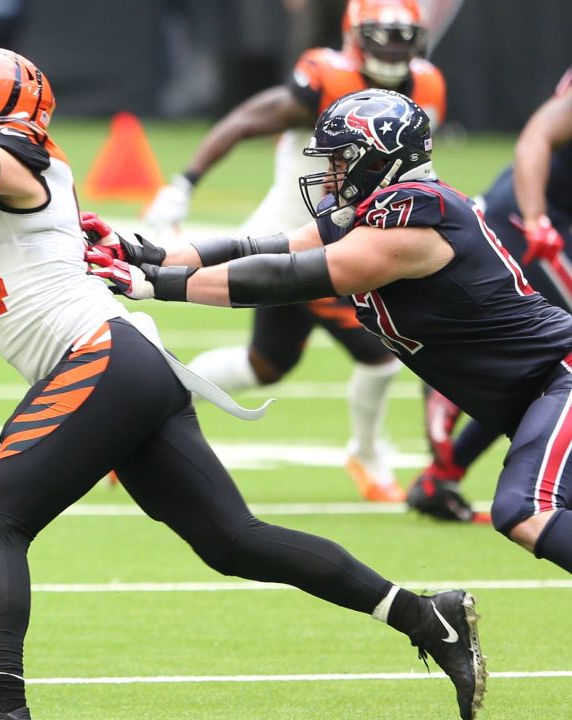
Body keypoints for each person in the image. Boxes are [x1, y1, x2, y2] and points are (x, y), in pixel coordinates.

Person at [0, 44, 485, 720]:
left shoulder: (26, 166)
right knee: (234, 541)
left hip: (99, 358)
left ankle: (4, 708)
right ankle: (428, 617)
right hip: (123, 364)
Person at [91, 88, 572, 720]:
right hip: (536, 394)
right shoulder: (382, 207)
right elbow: (255, 248)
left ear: (383, 159)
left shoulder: (416, 225)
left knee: (524, 509)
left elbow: (293, 278)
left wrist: (157, 286)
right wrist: (140, 251)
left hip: (559, 379)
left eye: (343, 159)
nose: (332, 173)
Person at [143, 0, 445, 503]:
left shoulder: (428, 86)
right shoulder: (325, 80)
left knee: (267, 363)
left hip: (345, 240)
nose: (393, 47)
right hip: (296, 243)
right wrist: (185, 181)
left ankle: (142, 415)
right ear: (355, 36)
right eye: (382, 35)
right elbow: (245, 120)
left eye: (402, 36)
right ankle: (367, 456)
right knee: (380, 357)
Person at [410, 65, 572, 522]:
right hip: (532, 221)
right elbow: (535, 136)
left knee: (547, 368)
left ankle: (444, 472)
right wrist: (537, 217)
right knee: (557, 360)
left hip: (553, 222)